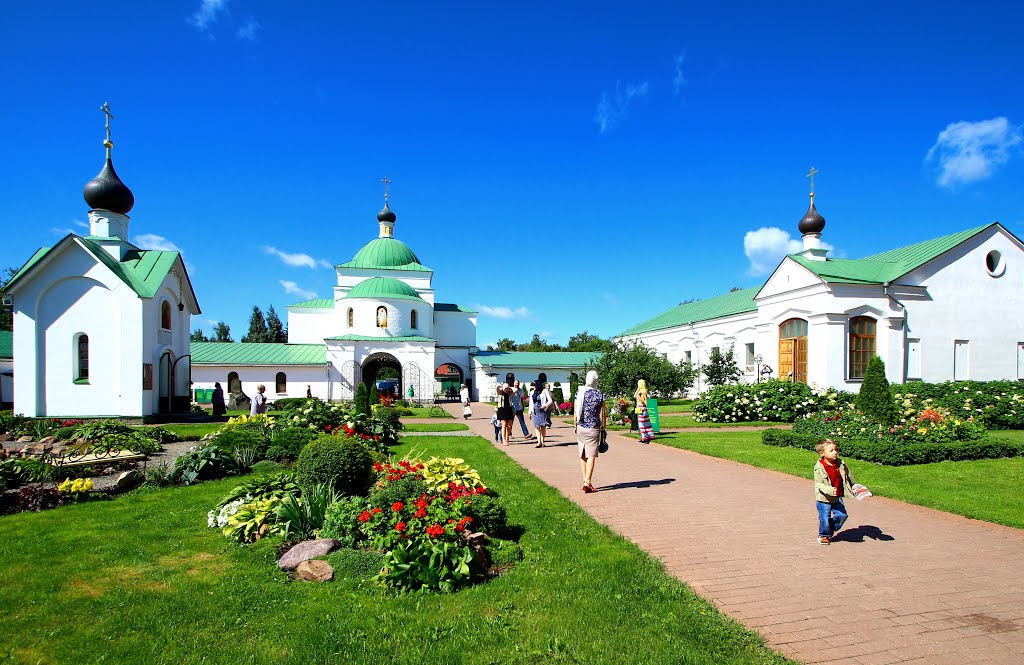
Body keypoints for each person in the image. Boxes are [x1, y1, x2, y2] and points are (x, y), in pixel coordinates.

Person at [814, 439, 858, 545]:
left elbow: (848, 476)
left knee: (842, 515)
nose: (835, 452)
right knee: (825, 517)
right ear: (822, 453)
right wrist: (830, 490)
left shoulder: (840, 463)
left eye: (836, 450)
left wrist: (855, 486)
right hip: (824, 498)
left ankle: (831, 527)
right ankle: (823, 535)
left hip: (837, 496)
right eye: (831, 450)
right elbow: (818, 484)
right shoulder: (819, 467)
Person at [574, 370, 606, 493]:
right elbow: (603, 413)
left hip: (581, 426)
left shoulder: (580, 392)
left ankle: (586, 481)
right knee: (591, 455)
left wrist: (575, 425)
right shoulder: (599, 395)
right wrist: (604, 427)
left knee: (583, 454)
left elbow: (576, 411)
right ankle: (587, 481)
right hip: (593, 427)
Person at [531, 379, 553, 448]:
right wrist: (529, 412)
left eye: (534, 385)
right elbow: (531, 403)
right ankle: (539, 442)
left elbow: (550, 400)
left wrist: (545, 405)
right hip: (535, 411)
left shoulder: (544, 391)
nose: (533, 387)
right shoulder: (532, 392)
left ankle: (543, 441)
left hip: (542, 411)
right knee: (537, 426)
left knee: (543, 426)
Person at [634, 379, 654, 444]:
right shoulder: (645, 390)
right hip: (644, 408)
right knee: (646, 422)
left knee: (641, 424)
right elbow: (635, 396)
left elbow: (638, 398)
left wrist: (638, 394)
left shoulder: (641, 392)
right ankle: (650, 435)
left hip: (640, 407)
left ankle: (644, 438)